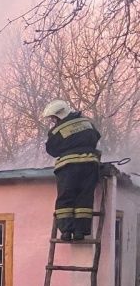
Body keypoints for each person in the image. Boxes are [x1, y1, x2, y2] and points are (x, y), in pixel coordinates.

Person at [42, 99, 102, 241]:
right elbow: (96, 137)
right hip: (90, 165)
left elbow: (52, 149)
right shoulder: (87, 123)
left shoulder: (57, 130)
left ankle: (66, 232)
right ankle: (80, 232)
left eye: (54, 118)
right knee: (84, 197)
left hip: (68, 167)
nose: (53, 121)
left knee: (66, 198)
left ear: (59, 115)